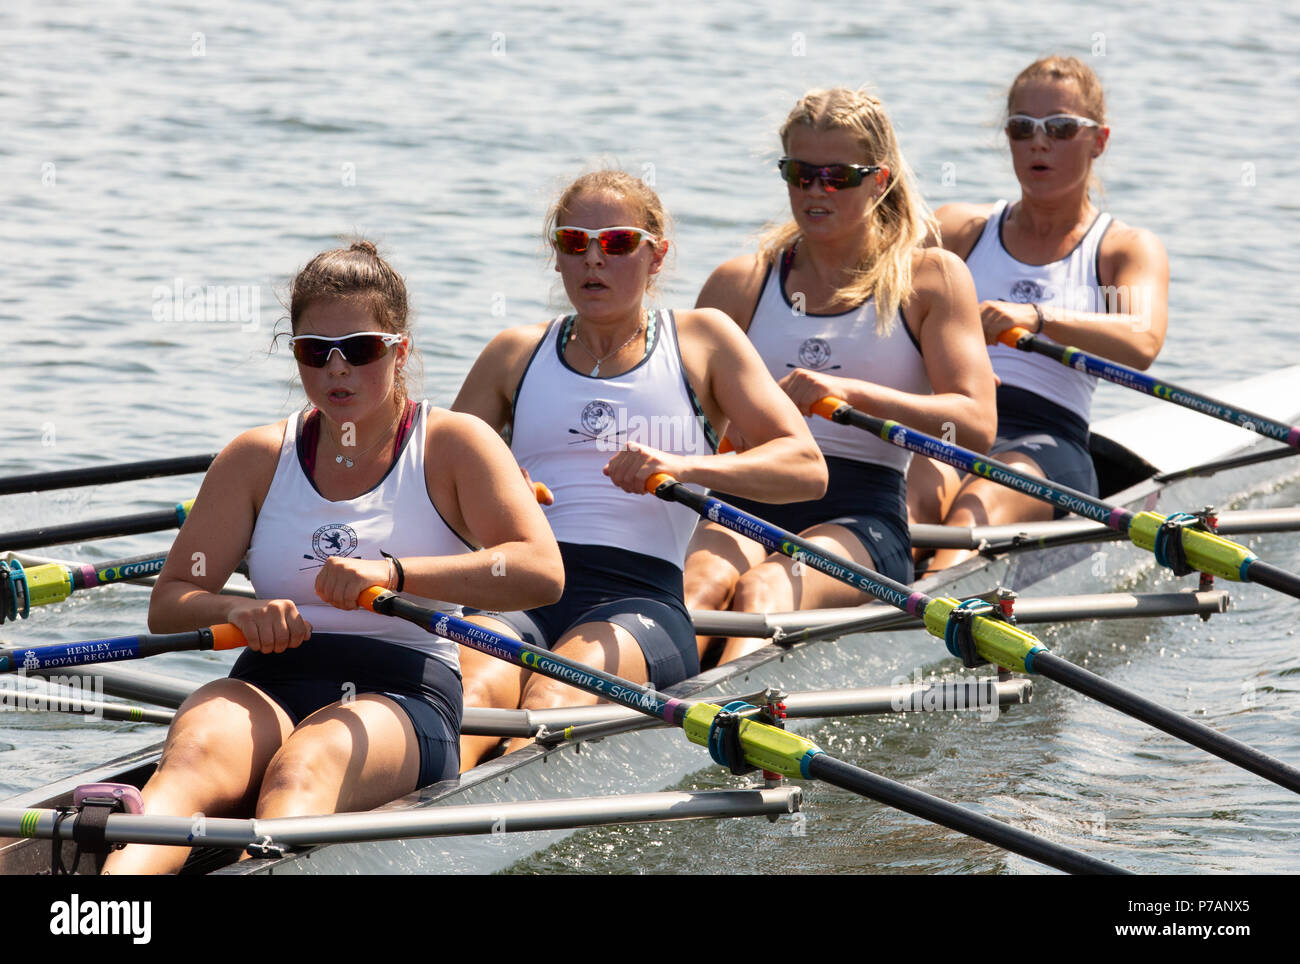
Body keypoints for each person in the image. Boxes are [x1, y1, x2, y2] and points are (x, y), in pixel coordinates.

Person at [103, 241, 562, 873]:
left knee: (302, 769)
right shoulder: (256, 459)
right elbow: (171, 600)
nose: (337, 368)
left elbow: (541, 572)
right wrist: (242, 607)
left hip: (404, 690)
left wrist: (394, 574)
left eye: (361, 348)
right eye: (315, 351)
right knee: (191, 760)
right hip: (271, 679)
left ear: (399, 350)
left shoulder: (455, 445)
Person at [452, 170, 826, 769]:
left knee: (551, 696)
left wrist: (682, 466)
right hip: (516, 583)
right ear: (558, 257)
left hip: (638, 599)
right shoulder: (512, 353)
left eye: (618, 243)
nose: (593, 259)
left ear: (657, 256)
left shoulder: (703, 341)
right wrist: (494, 489)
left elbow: (806, 467)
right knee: (472, 694)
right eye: (575, 243)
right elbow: (429, 487)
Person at [683, 87, 996, 663]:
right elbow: (680, 420)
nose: (814, 191)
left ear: (879, 180)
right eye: (800, 173)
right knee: (697, 590)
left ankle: (723, 721)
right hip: (745, 494)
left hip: (860, 509)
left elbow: (975, 425)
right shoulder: (740, 282)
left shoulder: (930, 279)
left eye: (836, 176)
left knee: (761, 592)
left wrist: (850, 394)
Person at [911, 56, 1169, 570]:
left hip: (1046, 439)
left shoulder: (1122, 247)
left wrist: (1037, 317)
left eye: (1061, 128)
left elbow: (1142, 340)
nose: (1039, 142)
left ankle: (930, 609)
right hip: (950, 422)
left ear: (1099, 140)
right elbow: (880, 302)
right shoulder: (961, 227)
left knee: (965, 524)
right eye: (1022, 127)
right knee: (908, 515)